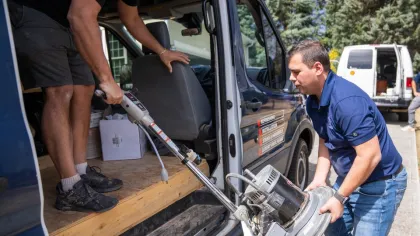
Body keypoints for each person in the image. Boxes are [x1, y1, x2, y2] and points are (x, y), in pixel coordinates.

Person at [8, 0, 190, 213]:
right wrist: (107, 79)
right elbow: (81, 16)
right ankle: (70, 188)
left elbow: (130, 17)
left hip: (67, 19)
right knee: (61, 90)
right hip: (36, 10)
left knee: (85, 88)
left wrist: (161, 51)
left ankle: (81, 170)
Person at [288, 40, 407, 236]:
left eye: (296, 72)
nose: (292, 78)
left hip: (379, 184)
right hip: (348, 178)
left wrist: (339, 196)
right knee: (329, 228)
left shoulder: (347, 102)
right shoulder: (313, 100)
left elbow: (369, 156)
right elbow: (326, 139)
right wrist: (319, 179)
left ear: (317, 68)